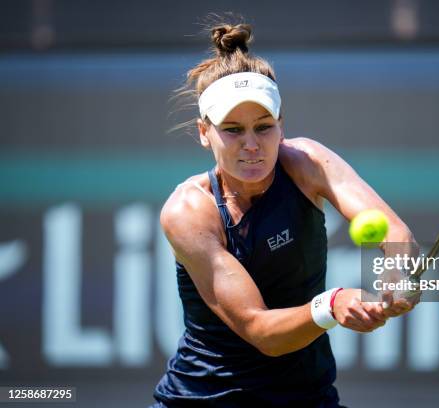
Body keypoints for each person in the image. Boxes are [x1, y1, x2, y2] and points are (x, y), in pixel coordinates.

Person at [151, 22, 419, 408]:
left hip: (308, 396)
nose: (251, 145)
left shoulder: (307, 163)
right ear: (203, 132)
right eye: (232, 130)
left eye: (264, 127)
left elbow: (395, 232)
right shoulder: (189, 211)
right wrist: (332, 305)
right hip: (205, 399)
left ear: (281, 126)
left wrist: (400, 271)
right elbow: (262, 331)